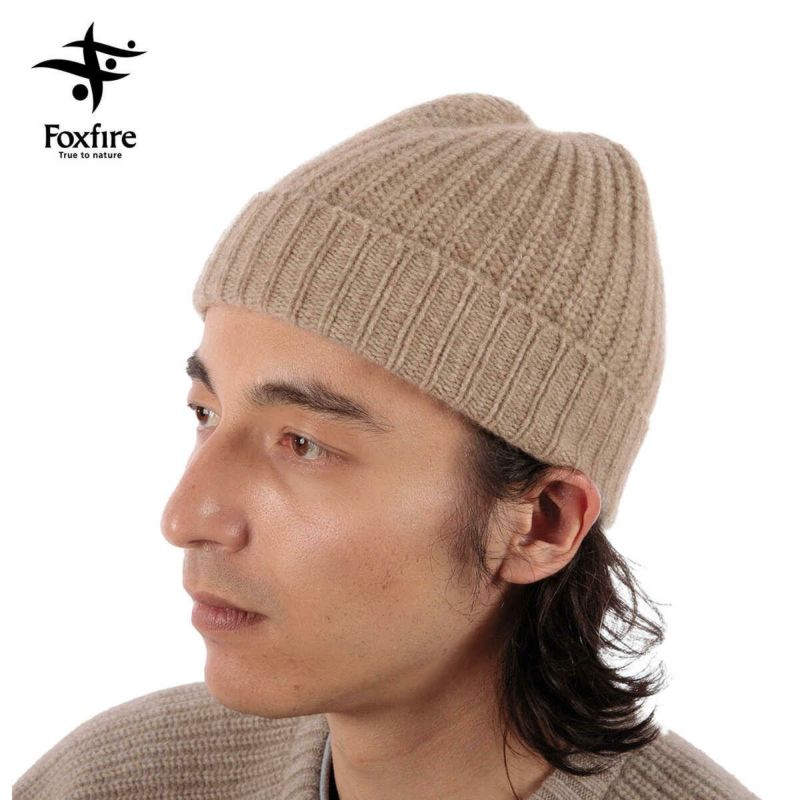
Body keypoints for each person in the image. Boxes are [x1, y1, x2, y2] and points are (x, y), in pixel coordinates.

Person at [13, 93, 760, 800]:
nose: (185, 518)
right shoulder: (114, 780)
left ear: (542, 523)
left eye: (303, 443)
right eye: (206, 413)